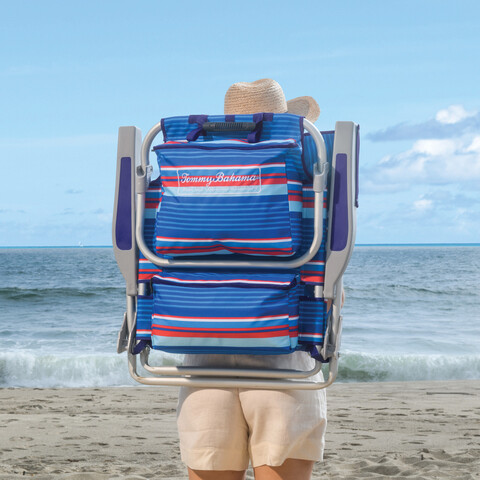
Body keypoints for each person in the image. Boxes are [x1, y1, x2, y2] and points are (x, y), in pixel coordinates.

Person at [176, 79, 339, 480]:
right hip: (283, 354)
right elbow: (328, 277)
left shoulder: (186, 182)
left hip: (203, 354)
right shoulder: (310, 184)